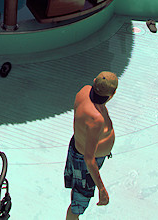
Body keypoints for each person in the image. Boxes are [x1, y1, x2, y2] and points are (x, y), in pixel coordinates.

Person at [65, 72, 119, 218]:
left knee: (77, 193)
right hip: (85, 163)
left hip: (78, 148)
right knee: (78, 204)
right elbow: (89, 159)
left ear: (94, 81)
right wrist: (101, 189)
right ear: (112, 94)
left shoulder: (84, 91)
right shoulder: (96, 119)